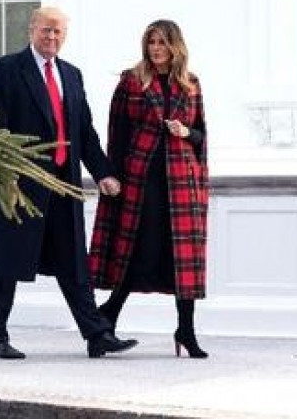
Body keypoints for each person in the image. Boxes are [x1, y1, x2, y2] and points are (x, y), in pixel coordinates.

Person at [0, 6, 138, 359]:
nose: (52, 37)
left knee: (73, 261)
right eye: (46, 30)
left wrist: (104, 173)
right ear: (31, 30)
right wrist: (5, 176)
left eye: (58, 32)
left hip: (64, 185)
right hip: (19, 184)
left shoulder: (72, 74)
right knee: (7, 262)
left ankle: (97, 335)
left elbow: (83, 132)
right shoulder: (6, 70)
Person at [88, 19, 209, 358]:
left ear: (175, 46)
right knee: (141, 251)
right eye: (151, 42)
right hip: (142, 181)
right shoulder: (132, 81)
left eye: (162, 42)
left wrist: (185, 132)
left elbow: (201, 137)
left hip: (182, 183)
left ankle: (186, 330)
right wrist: (112, 177)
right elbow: (118, 133)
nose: (156, 48)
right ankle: (108, 313)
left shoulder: (191, 84)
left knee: (183, 258)